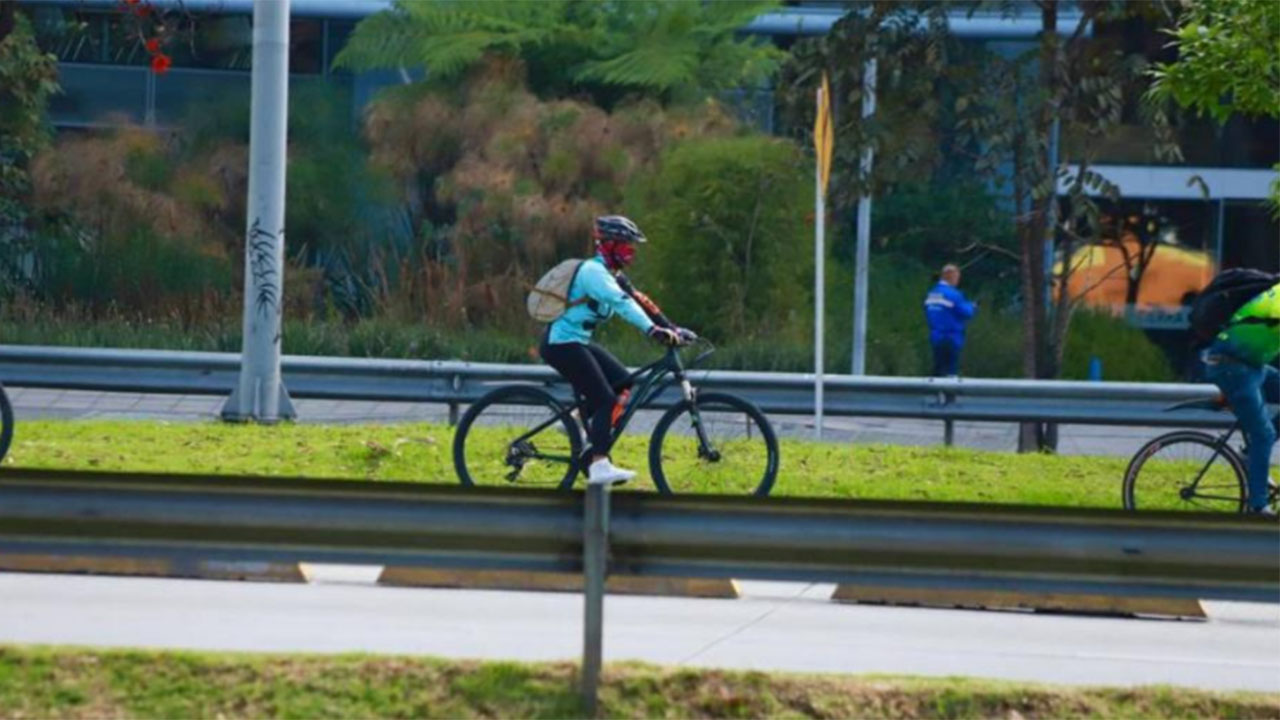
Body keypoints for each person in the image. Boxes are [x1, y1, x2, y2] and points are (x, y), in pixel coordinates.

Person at [540, 215, 689, 486]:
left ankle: (575, 422)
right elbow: (622, 303)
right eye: (625, 244)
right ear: (608, 244)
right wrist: (652, 331)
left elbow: (639, 300)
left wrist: (672, 328)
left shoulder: (614, 275)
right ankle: (599, 465)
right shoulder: (594, 273)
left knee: (623, 381)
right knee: (605, 400)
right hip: (561, 344)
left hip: (576, 341)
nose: (631, 251)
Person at [1200, 277, 1279, 516]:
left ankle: (1249, 454)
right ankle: (1258, 506)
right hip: (1233, 368)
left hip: (1251, 365)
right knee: (1264, 434)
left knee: (1261, 438)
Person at [923, 263, 977, 377]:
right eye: (957, 277)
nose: (958, 281)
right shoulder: (954, 295)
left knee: (938, 370)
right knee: (950, 372)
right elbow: (967, 312)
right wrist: (972, 306)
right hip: (951, 337)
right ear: (951, 276)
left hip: (935, 337)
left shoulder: (931, 294)